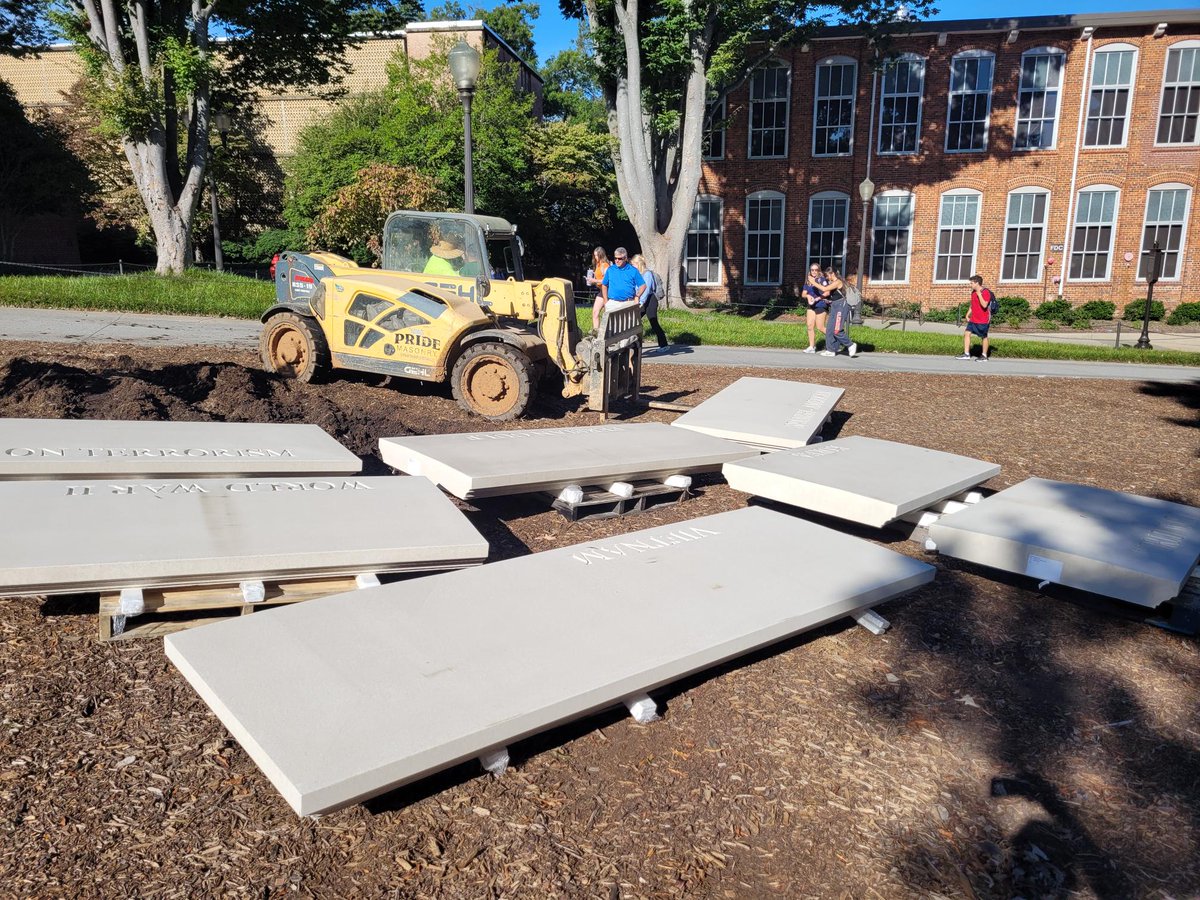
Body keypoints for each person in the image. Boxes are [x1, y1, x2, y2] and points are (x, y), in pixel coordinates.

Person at [594, 246, 645, 331]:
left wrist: (637, 296)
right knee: (610, 329)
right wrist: (606, 301)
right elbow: (604, 285)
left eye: (620, 258)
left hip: (628, 302)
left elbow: (643, 285)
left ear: (625, 258)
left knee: (627, 329)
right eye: (615, 258)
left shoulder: (633, 270)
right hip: (613, 302)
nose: (617, 260)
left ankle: (626, 343)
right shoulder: (611, 270)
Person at [631, 254, 668, 349]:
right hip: (641, 300)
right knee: (633, 321)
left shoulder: (647, 274)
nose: (632, 266)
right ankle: (634, 343)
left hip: (650, 300)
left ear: (638, 264)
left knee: (653, 321)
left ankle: (663, 345)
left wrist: (640, 302)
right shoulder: (637, 274)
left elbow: (646, 290)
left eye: (633, 264)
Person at [819, 266, 857, 358]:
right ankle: (831, 350)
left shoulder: (838, 282)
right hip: (834, 306)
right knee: (829, 329)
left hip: (841, 306)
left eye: (827, 275)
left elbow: (824, 289)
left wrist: (812, 282)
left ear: (832, 273)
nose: (827, 278)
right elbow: (829, 294)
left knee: (837, 330)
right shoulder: (832, 282)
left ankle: (850, 345)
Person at [957, 274, 995, 360]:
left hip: (983, 319)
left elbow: (984, 305)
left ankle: (984, 356)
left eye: (972, 283)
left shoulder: (985, 292)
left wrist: (979, 294)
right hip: (973, 318)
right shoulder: (973, 293)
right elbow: (972, 305)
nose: (970, 285)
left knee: (984, 336)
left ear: (977, 283)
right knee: (967, 333)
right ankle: (966, 354)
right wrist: (967, 314)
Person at [802, 262, 829, 353]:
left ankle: (836, 340)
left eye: (816, 270)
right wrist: (808, 296)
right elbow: (803, 294)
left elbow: (827, 292)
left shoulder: (822, 280)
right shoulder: (808, 281)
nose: (814, 271)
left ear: (819, 271)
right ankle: (811, 347)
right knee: (810, 326)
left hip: (821, 304)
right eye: (812, 270)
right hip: (811, 305)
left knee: (820, 327)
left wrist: (818, 298)